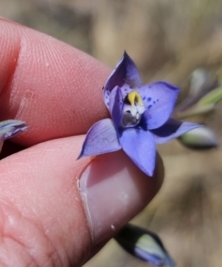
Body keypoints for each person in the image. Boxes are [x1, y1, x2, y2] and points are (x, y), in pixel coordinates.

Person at [0, 18, 163, 266]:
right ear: (114, 95)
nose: (134, 109)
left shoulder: (124, 132)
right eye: (129, 103)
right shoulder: (105, 131)